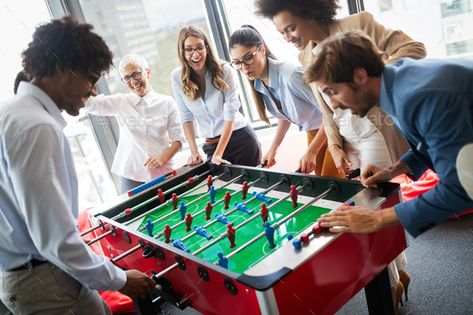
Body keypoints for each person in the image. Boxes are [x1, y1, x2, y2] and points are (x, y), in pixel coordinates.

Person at [0, 17, 155, 315]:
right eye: (92, 78)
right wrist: (119, 280)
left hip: (28, 278)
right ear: (62, 69)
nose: (94, 91)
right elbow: (55, 239)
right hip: (46, 282)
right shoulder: (37, 127)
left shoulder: (11, 112)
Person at [309, 31, 473, 238]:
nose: (333, 104)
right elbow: (428, 142)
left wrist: (376, 219)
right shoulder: (397, 81)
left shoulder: (418, 97)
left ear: (360, 76)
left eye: (333, 92)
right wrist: (392, 170)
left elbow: (463, 185)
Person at [254, 0, 425, 176]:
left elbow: (413, 49)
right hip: (346, 138)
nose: (287, 38)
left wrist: (370, 79)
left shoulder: (359, 24)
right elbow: (327, 111)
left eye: (291, 28)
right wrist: (334, 145)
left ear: (309, 14)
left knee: (375, 195)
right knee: (354, 198)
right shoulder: (305, 57)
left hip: (375, 131)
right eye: (282, 32)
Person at [228, 25, 327, 174]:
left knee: (334, 188)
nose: (244, 67)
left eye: (248, 58)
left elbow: (331, 112)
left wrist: (312, 151)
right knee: (322, 188)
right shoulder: (260, 83)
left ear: (261, 50)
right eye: (237, 62)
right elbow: (284, 116)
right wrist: (273, 148)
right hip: (314, 133)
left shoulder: (291, 75)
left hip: (332, 131)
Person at [85, 54, 185, 193]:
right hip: (131, 173)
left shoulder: (167, 102)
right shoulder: (120, 102)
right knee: (131, 213)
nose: (133, 81)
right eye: (127, 78)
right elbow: (91, 105)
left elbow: (178, 139)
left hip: (163, 170)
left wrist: (161, 159)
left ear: (148, 72)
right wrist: (86, 80)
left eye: (136, 74)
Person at [171, 25, 261, 166]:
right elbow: (186, 116)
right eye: (189, 49)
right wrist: (194, 151)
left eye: (200, 47)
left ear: (207, 47)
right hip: (211, 146)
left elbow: (230, 114)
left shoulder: (225, 70)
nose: (195, 55)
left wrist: (218, 154)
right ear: (182, 52)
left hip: (241, 141)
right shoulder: (177, 77)